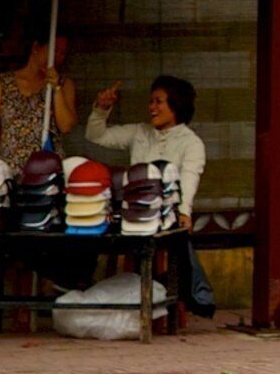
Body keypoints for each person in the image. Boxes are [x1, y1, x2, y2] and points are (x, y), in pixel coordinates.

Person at [80, 75, 211, 318]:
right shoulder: (139, 132)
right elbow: (96, 136)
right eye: (151, 101)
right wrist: (101, 109)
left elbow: (189, 179)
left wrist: (184, 212)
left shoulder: (191, 143)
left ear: (176, 104)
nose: (152, 107)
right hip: (131, 215)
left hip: (165, 217)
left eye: (158, 101)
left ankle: (169, 302)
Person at [0, 29, 71, 164]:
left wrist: (57, 89)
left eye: (62, 53)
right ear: (36, 47)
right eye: (55, 50)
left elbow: (66, 126)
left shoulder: (64, 84)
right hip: (9, 166)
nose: (57, 57)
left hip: (46, 167)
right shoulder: (2, 83)